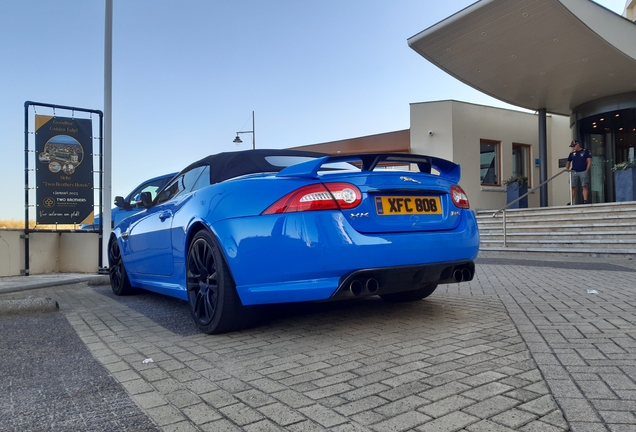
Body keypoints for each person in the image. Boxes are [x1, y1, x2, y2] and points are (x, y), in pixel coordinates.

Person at [565, 139, 592, 204]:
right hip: (574, 171)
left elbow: (589, 161)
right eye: (572, 146)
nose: (573, 147)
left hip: (583, 171)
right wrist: (567, 169)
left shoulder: (585, 151)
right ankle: (571, 201)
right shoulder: (572, 153)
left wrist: (587, 170)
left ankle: (585, 200)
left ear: (578, 144)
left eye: (574, 146)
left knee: (584, 185)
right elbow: (568, 161)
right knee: (573, 186)